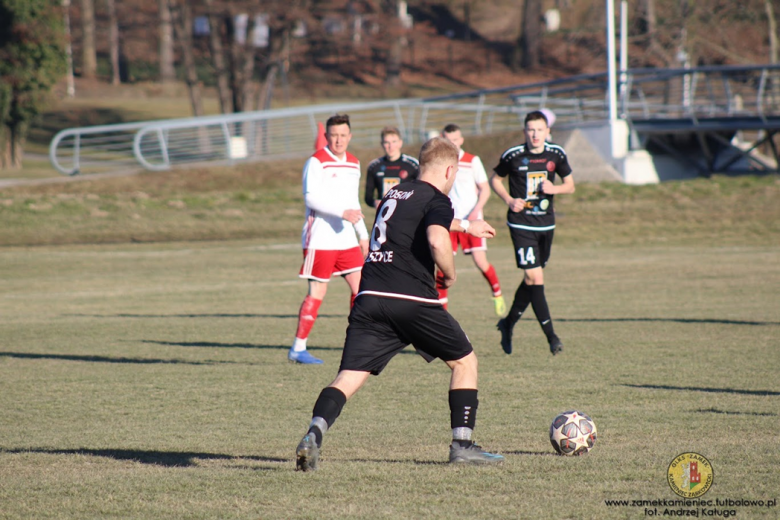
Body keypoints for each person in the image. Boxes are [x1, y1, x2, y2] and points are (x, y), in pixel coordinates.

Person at [295, 137, 504, 471]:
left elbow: (417, 220)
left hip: (370, 297)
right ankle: (462, 446)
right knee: (465, 362)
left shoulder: (397, 192)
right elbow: (436, 238)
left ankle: (314, 434)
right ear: (450, 170)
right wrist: (449, 275)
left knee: (349, 376)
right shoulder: (438, 197)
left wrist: (467, 225)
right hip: (412, 299)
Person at [489, 110, 575, 356]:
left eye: (539, 129)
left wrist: (554, 188)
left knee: (531, 281)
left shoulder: (556, 154)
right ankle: (552, 337)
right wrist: (508, 199)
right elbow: (495, 179)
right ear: (525, 131)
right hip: (521, 224)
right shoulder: (513, 155)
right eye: (530, 129)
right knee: (536, 278)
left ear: (547, 131)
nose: (535, 134)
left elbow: (570, 185)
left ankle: (508, 324)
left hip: (546, 225)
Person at [289, 114, 369, 365]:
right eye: (334, 135)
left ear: (350, 136)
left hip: (346, 240)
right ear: (327, 137)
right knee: (318, 292)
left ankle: (356, 344)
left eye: (343, 135)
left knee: (362, 291)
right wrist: (341, 213)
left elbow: (353, 202)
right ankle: (298, 348)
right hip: (320, 239)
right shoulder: (316, 162)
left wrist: (363, 236)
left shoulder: (354, 163)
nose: (339, 140)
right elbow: (310, 198)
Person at [438, 124, 505, 316]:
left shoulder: (472, 161)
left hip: (472, 221)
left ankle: (497, 293)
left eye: (455, 139)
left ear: (461, 140)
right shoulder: (441, 162)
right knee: (442, 264)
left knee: (480, 262)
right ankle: (441, 312)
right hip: (450, 222)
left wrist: (477, 210)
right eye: (448, 140)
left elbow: (485, 188)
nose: (453, 143)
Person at [364, 126, 419, 208]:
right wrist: (375, 203)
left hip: (408, 214)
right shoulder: (374, 166)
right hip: (384, 215)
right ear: (382, 144)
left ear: (400, 143)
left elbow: (422, 191)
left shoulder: (413, 165)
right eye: (387, 142)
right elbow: (368, 197)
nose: (391, 146)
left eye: (394, 142)